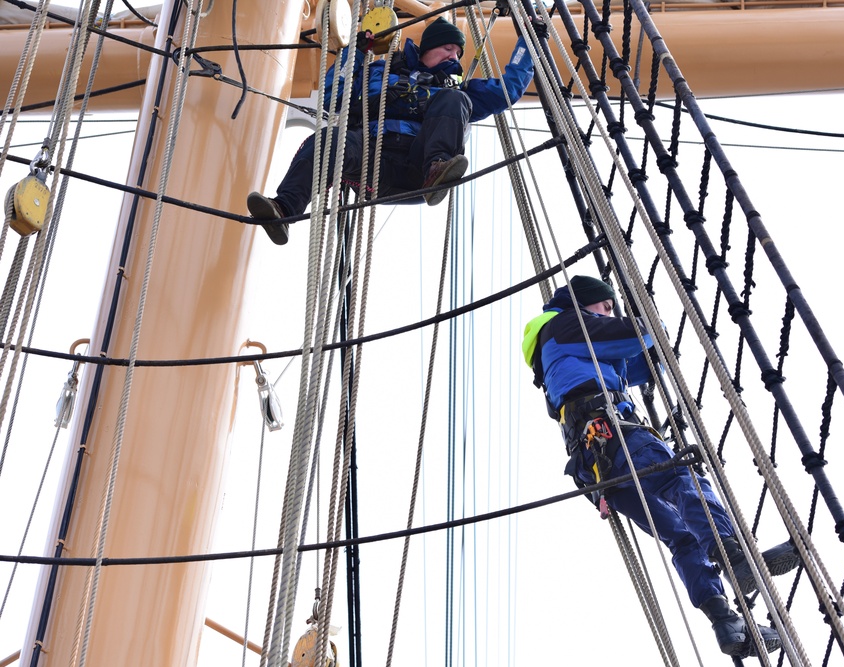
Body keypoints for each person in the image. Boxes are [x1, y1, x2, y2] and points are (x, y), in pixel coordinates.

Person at [521, 275, 801, 658]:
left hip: (598, 467)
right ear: (582, 305)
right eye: (604, 307)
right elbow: (640, 333)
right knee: (681, 479)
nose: (608, 313)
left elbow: (641, 367)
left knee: (683, 535)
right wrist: (650, 323)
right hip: (615, 436)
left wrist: (653, 351)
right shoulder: (565, 325)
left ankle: (726, 623)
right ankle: (735, 556)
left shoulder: (564, 347)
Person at [247, 17, 537, 245]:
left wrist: (529, 44)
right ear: (427, 49)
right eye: (448, 48)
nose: (454, 57)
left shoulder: (455, 90)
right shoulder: (378, 72)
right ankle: (283, 210)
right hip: (371, 160)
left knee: (456, 98)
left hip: (416, 170)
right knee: (328, 140)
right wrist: (356, 53)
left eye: (458, 52)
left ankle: (437, 167)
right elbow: (333, 96)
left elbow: (508, 90)